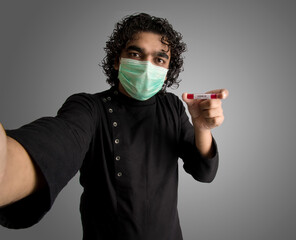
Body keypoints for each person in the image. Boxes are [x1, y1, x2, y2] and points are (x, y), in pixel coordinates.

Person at [0, 13, 228, 239]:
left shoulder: (172, 106)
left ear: (168, 68)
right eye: (136, 54)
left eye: (159, 59)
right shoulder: (90, 108)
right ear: (118, 60)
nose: (147, 66)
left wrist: (202, 127)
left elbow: (204, 172)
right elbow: (59, 141)